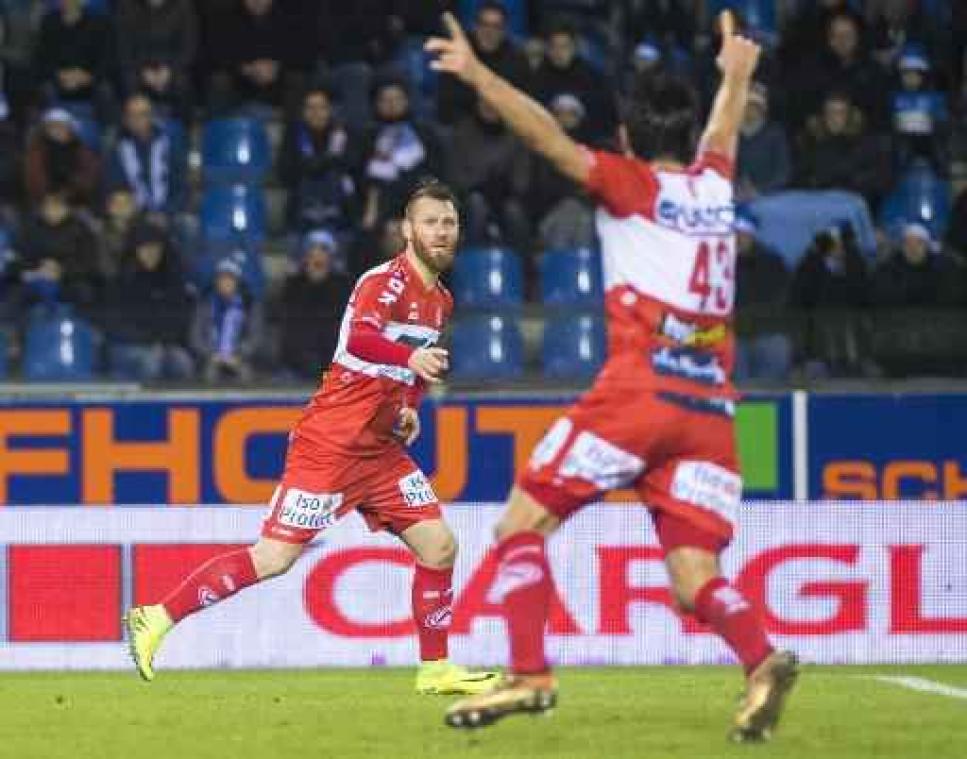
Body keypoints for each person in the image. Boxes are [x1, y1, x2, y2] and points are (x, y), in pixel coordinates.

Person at [426, 11, 798, 740]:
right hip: (711, 412)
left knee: (519, 524)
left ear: (627, 138)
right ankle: (760, 662)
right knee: (693, 578)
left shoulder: (631, 185)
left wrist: (478, 75)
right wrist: (736, 74)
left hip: (640, 394)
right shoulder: (715, 188)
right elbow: (721, 134)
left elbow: (545, 136)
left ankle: (529, 673)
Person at [124, 180, 500, 697]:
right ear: (408, 230)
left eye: (449, 222)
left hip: (379, 450)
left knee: (439, 546)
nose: (441, 231)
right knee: (273, 558)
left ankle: (435, 669)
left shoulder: (441, 300)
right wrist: (410, 359)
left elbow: (416, 368)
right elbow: (363, 339)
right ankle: (156, 617)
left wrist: (409, 407)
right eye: (430, 221)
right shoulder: (383, 283)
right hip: (332, 442)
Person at [276, 228, 351, 380]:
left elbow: (341, 315)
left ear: (331, 256)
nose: (317, 256)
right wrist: (310, 282)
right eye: (312, 251)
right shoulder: (294, 283)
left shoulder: (342, 283)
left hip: (330, 347)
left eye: (322, 250)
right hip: (300, 344)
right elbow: (288, 313)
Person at [189, 257, 265, 383]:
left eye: (230, 279)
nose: (226, 283)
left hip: (239, 358)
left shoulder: (249, 304)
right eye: (222, 279)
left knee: (245, 375)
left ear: (237, 282)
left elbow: (255, 337)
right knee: (209, 375)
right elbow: (195, 337)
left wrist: (239, 355)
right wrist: (211, 354)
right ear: (216, 281)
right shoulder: (205, 304)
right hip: (211, 357)